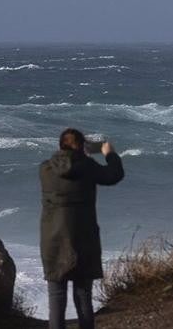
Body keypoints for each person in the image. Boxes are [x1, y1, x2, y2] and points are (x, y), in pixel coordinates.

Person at [39, 128, 124, 329]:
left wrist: (76, 155)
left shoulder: (45, 169)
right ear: (81, 146)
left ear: (60, 146)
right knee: (83, 295)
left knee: (56, 298)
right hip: (83, 240)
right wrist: (109, 153)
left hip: (53, 241)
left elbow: (66, 168)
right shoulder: (87, 166)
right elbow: (114, 175)